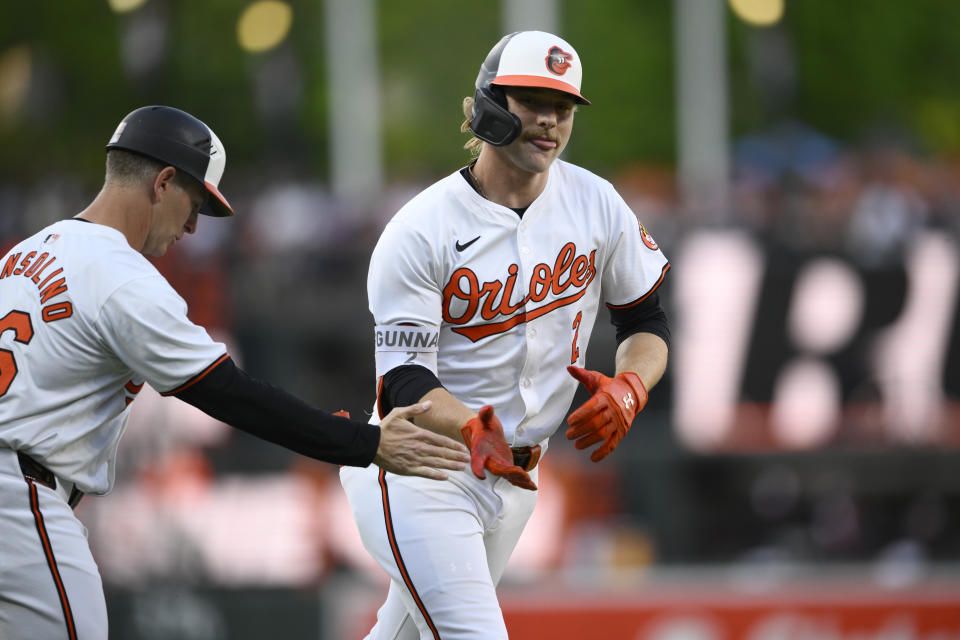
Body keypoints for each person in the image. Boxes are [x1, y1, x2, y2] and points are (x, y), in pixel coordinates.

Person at [0, 105, 470, 639]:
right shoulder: (121, 277)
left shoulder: (26, 253)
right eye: (195, 203)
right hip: (21, 501)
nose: (194, 226)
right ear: (164, 182)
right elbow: (231, 395)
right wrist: (366, 443)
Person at [340, 31, 671, 639]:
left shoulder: (597, 203)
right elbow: (403, 381)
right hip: (424, 465)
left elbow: (646, 322)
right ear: (490, 106)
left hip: (519, 478)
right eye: (530, 101)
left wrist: (630, 387)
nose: (549, 120)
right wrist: (472, 427)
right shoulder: (422, 227)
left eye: (563, 107)